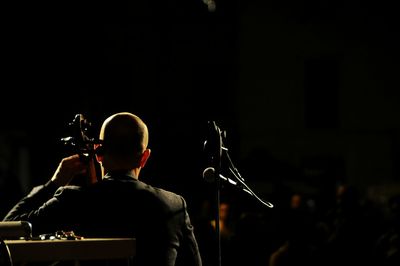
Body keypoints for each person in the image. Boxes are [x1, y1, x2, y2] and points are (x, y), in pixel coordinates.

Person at [2, 112, 203, 266]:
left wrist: (54, 183)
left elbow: (9, 228)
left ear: (98, 153)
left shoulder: (73, 200)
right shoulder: (174, 205)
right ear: (145, 157)